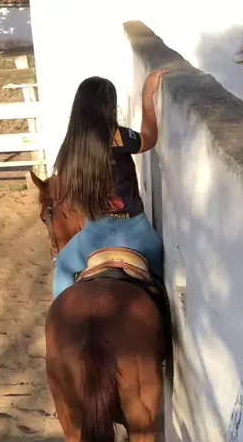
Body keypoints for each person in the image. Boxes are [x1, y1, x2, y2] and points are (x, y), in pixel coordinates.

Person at [51, 71, 165, 299]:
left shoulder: (70, 147)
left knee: (62, 265)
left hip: (94, 234)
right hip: (135, 232)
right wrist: (146, 97)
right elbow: (150, 138)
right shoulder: (118, 136)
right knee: (161, 277)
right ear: (108, 108)